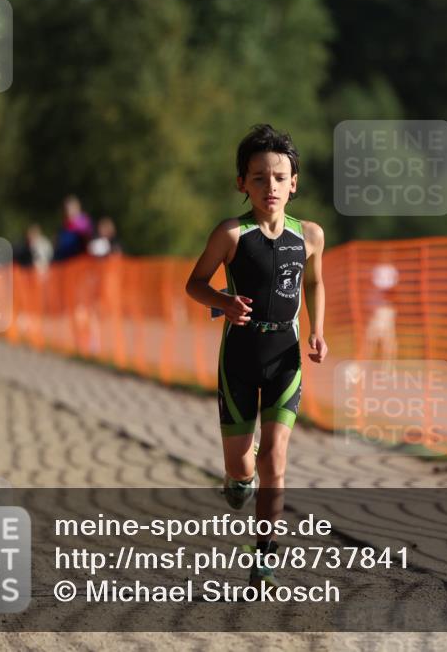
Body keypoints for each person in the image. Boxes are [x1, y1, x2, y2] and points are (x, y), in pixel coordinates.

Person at [185, 124, 327, 590]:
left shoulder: (309, 235)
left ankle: (265, 553)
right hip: (240, 359)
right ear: (242, 183)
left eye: (280, 177)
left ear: (294, 183)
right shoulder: (231, 233)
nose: (271, 187)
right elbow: (195, 282)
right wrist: (224, 303)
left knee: (276, 458)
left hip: (285, 353)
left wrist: (318, 332)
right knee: (243, 465)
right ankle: (237, 480)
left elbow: (314, 283)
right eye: (260, 178)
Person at [53, 195, 93, 261]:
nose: (68, 212)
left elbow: (87, 240)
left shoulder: (84, 223)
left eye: (70, 208)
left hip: (81, 261)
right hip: (66, 262)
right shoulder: (64, 227)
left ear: (77, 208)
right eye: (66, 209)